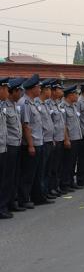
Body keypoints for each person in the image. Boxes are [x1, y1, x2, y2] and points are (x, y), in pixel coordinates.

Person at [18, 74, 52, 208]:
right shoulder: (25, 103)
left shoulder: (33, 102)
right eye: (39, 87)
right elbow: (26, 126)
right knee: (28, 174)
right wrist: (31, 145)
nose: (40, 89)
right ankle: (24, 199)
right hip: (31, 144)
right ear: (33, 88)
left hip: (39, 142)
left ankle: (38, 197)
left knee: (38, 173)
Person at [3, 78, 25, 214]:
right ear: (14, 92)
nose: (21, 94)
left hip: (17, 145)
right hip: (9, 146)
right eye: (19, 91)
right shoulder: (4, 106)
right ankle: (4, 205)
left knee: (15, 176)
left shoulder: (14, 106)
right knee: (7, 178)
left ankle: (12, 202)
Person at [35, 79, 55, 200]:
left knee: (48, 168)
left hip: (49, 140)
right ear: (44, 90)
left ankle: (46, 191)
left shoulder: (46, 104)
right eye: (48, 90)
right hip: (42, 141)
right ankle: (40, 194)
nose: (50, 92)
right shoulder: (37, 104)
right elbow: (38, 125)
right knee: (41, 170)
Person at [47, 80, 66, 195]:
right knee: (51, 166)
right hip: (53, 140)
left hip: (60, 138)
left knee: (58, 165)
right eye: (59, 89)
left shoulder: (58, 103)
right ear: (53, 91)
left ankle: (56, 185)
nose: (61, 91)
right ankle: (50, 188)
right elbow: (49, 123)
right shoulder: (48, 104)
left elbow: (62, 123)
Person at [0, 78, 11, 219]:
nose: (7, 92)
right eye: (6, 89)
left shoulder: (2, 105)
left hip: (3, 148)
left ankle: (2, 207)